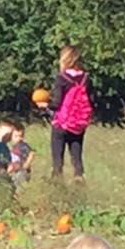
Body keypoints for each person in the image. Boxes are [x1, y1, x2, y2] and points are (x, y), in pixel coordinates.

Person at [38, 45, 92, 181]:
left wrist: (45, 106)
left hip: (61, 123)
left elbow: (56, 103)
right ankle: (79, 178)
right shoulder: (86, 78)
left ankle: (57, 181)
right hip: (78, 124)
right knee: (77, 156)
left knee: (58, 158)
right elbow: (91, 100)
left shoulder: (61, 78)